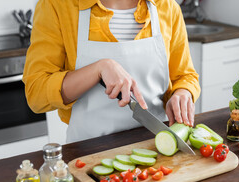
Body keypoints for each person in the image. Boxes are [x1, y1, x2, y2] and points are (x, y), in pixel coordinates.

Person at [23, 0, 200, 143]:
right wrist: (98, 69)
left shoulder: (167, 7)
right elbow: (36, 93)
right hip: (88, 152)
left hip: (158, 145)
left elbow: (185, 76)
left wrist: (182, 93)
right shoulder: (56, 6)